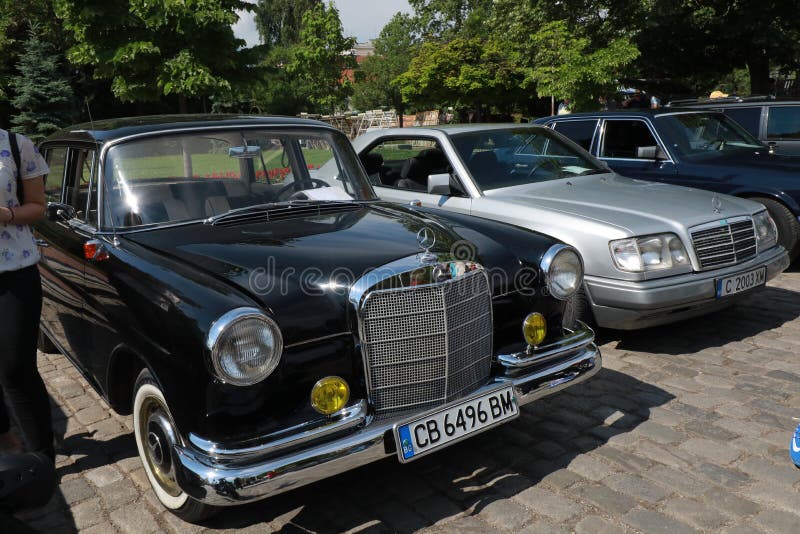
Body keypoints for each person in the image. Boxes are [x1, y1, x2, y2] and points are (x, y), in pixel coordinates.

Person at [0, 129, 52, 460]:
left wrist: (6, 215)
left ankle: (43, 456)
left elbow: (38, 207)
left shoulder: (16, 146)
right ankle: (6, 438)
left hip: (15, 272)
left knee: (17, 368)